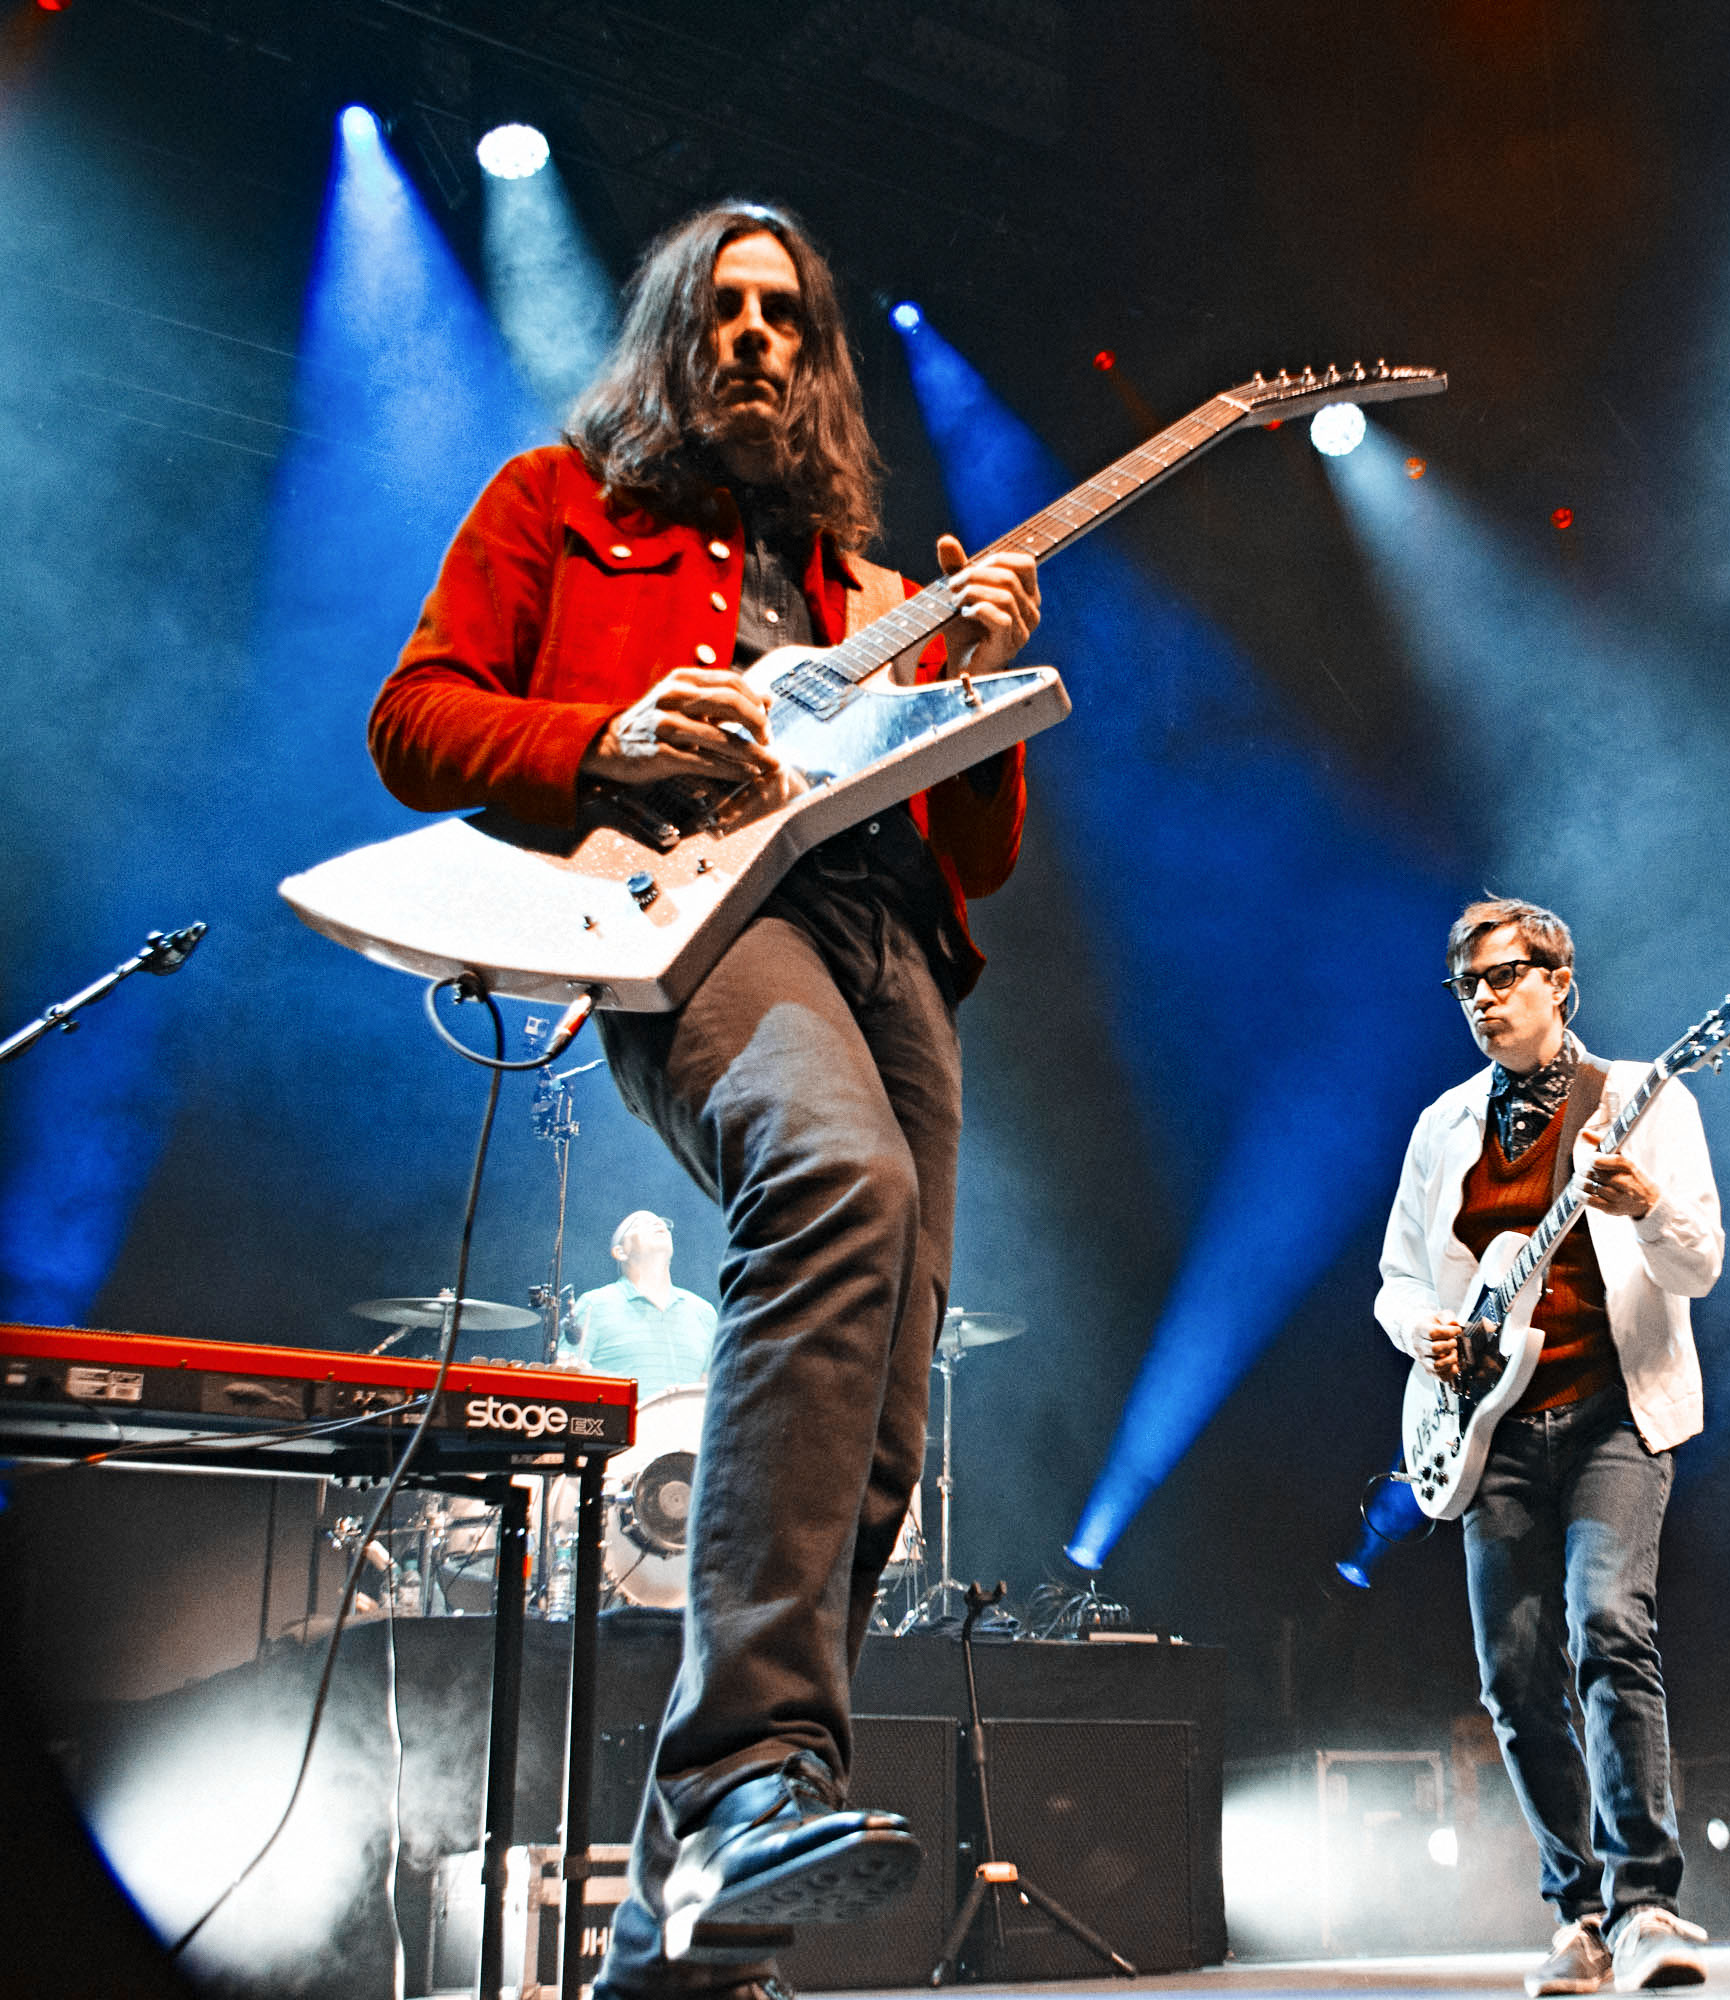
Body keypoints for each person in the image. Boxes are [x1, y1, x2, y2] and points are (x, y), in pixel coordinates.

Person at [369, 199, 1042, 2000]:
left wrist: (978, 688)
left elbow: (975, 850)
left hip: (893, 943)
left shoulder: (866, 590)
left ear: (818, 362)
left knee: (885, 1415)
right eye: (725, 310)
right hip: (700, 922)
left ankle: (682, 1911)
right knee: (833, 1178)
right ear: (674, 332)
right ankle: (750, 1772)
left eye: (787, 316)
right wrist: (611, 738)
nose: (756, 336)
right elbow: (415, 720)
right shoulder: (556, 507)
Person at [1376, 898, 1726, 1995]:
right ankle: (1578, 1915)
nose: (1482, 998)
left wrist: (1646, 1202)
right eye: (1466, 985)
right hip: (1491, 1432)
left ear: (1560, 981)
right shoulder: (1442, 1125)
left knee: (1608, 1623)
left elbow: (1699, 1264)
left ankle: (1647, 1904)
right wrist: (1427, 1332)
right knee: (1516, 1677)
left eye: (1503, 975)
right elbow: (1396, 1278)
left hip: (1616, 1414)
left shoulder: (1644, 1098)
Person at [560, 1210, 715, 1401]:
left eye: (662, 1223)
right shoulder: (594, 1304)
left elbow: (711, 1390)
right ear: (620, 1252)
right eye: (640, 1223)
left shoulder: (704, 1312)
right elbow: (563, 1385)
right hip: (617, 1420)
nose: (658, 1223)